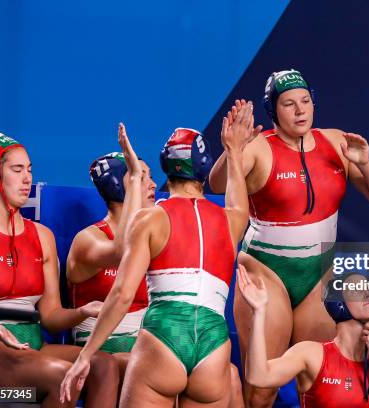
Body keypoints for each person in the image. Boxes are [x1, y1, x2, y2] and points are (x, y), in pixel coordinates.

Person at [209, 70, 369, 406]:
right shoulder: (260, 147)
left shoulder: (336, 143)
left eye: (305, 101)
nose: (300, 111)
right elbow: (216, 184)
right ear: (274, 110)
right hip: (267, 273)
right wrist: (232, 149)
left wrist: (366, 164)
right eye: (288, 104)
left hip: (317, 276)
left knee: (318, 384)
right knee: (261, 391)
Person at [60, 103, 255, 407]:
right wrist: (234, 149)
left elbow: (122, 294)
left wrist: (85, 356)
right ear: (203, 167)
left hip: (163, 339)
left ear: (166, 167)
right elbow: (238, 198)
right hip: (213, 346)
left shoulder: (150, 219)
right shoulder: (233, 220)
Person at [0, 131, 119, 407]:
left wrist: (83, 311)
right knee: (64, 377)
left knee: (104, 366)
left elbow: (50, 316)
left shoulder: (43, 236)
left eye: (30, 170)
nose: (27, 179)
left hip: (32, 347)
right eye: (17, 169)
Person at [239, 266, 369, 408]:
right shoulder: (311, 354)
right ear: (338, 303)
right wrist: (259, 312)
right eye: (357, 290)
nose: (368, 294)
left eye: (368, 289)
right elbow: (258, 376)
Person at [67, 123, 155, 377]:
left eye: (147, 175)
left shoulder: (153, 233)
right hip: (101, 349)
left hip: (143, 344)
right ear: (119, 186)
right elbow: (121, 251)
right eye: (140, 175)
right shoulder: (88, 240)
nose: (152, 184)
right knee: (156, 370)